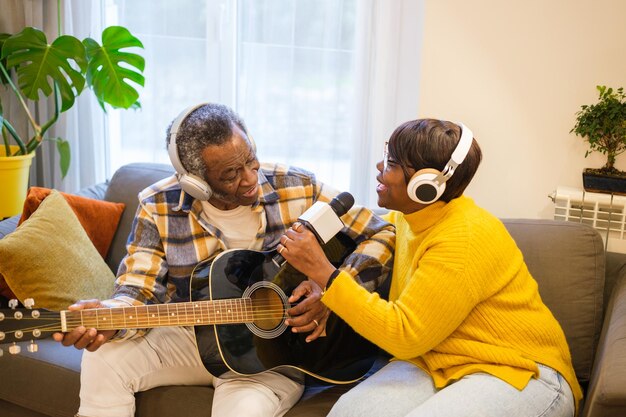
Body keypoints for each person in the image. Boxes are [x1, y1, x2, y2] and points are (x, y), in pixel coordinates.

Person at [52, 103, 394, 417]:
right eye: (231, 174)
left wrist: (334, 289)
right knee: (103, 360)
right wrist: (113, 314)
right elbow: (137, 291)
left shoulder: (297, 187)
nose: (249, 178)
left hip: (270, 360)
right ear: (195, 182)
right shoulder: (158, 205)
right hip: (191, 338)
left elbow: (383, 233)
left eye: (251, 159)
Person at [278, 118, 582, 417]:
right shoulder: (408, 219)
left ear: (428, 187)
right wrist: (324, 285)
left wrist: (325, 274)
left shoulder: (463, 237)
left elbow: (404, 334)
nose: (379, 168)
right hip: (434, 360)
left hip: (518, 369)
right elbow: (371, 246)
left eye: (393, 163)